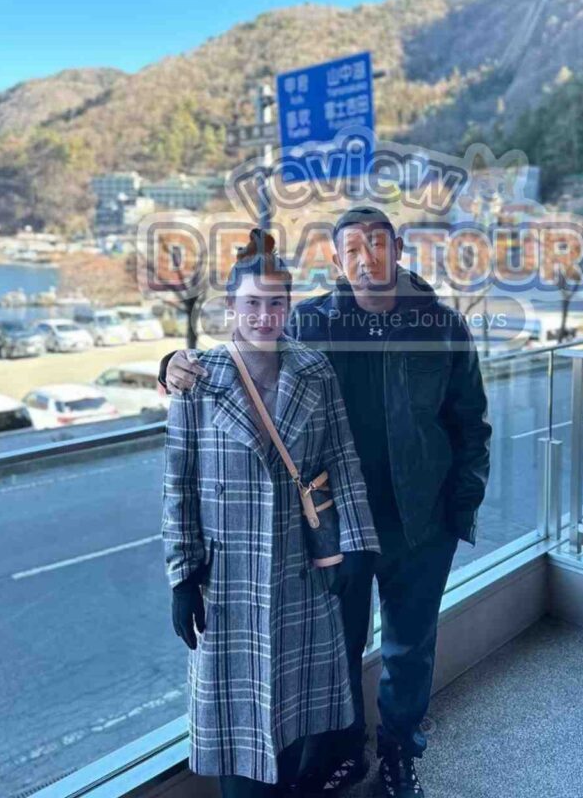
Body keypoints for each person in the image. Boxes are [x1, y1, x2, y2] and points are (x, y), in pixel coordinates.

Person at [160, 207, 492, 798]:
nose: (366, 260)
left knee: (410, 650)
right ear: (337, 262)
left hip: (421, 525)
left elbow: (471, 423)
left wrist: (458, 510)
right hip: (333, 531)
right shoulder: (310, 323)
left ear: (398, 248)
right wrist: (171, 365)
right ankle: (341, 753)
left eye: (377, 245)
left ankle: (399, 753)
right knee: (335, 649)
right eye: (352, 251)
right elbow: (246, 347)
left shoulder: (441, 325)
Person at [162, 227, 381, 798]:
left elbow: (343, 461)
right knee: (235, 715)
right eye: (253, 303)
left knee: (291, 707)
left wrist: (357, 545)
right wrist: (182, 577)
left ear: (289, 306)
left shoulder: (314, 371)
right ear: (230, 307)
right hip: (226, 579)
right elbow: (178, 486)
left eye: (276, 303)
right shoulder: (197, 380)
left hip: (301, 569)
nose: (265, 316)